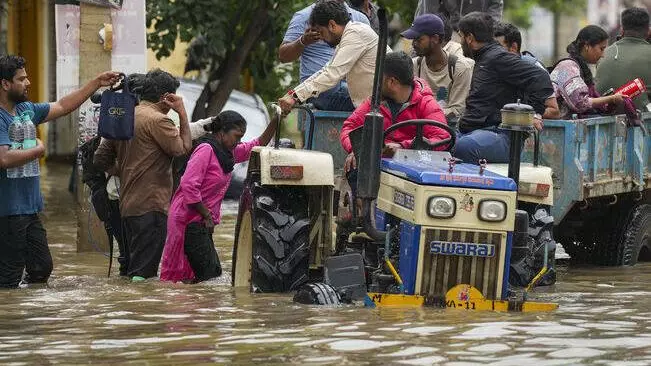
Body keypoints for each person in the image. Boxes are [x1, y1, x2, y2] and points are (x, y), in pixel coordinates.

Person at [0, 55, 119, 288]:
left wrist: (96, 82)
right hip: (7, 212)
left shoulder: (25, 110)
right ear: (5, 84)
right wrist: (39, 149)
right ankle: (10, 316)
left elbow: (63, 106)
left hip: (30, 208)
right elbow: (3, 158)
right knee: (9, 276)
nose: (28, 83)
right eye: (21, 79)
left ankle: (25, 312)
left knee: (41, 267)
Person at [94, 69, 192, 281]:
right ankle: (140, 311)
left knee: (131, 268)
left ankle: (127, 309)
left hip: (127, 207)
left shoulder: (126, 116)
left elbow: (100, 158)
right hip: (151, 206)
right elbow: (182, 149)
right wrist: (182, 113)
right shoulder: (159, 121)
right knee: (143, 277)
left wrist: (125, 168)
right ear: (166, 97)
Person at [160, 111, 279, 283]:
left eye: (241, 137)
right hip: (186, 219)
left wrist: (275, 120)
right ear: (222, 132)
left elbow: (256, 144)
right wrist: (206, 214)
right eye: (236, 136)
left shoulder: (227, 153)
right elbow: (188, 185)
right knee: (188, 275)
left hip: (201, 221)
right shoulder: (206, 150)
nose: (238, 141)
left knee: (197, 275)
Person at [340, 51, 449, 196]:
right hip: (379, 163)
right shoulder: (375, 103)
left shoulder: (426, 103)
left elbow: (441, 138)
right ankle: (362, 213)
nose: (375, 82)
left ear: (392, 82)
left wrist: (403, 147)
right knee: (353, 166)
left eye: (378, 78)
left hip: (414, 165)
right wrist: (360, 149)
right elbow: (349, 127)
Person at [453, 12, 554, 164]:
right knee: (439, 141)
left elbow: (540, 77)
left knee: (464, 147)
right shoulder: (483, 58)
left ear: (469, 38)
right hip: (474, 131)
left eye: (461, 37)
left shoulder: (498, 58)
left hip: (500, 135)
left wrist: (534, 113)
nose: (460, 42)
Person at [278, 0, 390, 114]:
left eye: (321, 32)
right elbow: (326, 70)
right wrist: (293, 94)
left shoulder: (356, 33)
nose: (321, 38)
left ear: (332, 25)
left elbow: (332, 74)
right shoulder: (345, 38)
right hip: (371, 101)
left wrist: (295, 97)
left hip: (382, 103)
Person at [402, 13, 474, 120]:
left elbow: (457, 110)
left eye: (419, 39)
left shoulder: (460, 68)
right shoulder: (414, 65)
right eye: (413, 40)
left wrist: (426, 115)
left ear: (435, 38)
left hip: (448, 128)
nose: (414, 44)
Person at [550, 25, 625, 119]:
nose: (603, 55)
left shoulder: (579, 66)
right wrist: (611, 99)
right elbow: (580, 103)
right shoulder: (568, 67)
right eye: (601, 49)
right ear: (587, 46)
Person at [494, 22, 562, 119]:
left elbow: (554, 111)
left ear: (513, 47)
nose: (493, 53)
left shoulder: (534, 69)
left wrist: (524, 115)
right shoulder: (489, 66)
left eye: (498, 49)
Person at [597, 7, 651, 111]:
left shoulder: (604, 53)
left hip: (603, 117)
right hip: (641, 121)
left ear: (621, 30)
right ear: (648, 31)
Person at [414, 0, 503, 39]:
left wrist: (488, 31)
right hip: (446, 29)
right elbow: (429, 15)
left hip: (479, 30)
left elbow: (495, 7)